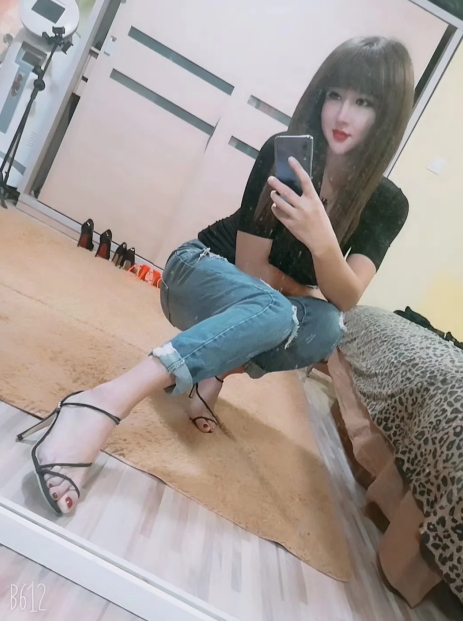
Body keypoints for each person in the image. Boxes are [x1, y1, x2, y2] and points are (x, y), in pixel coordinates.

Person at [18, 36, 415, 515]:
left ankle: (211, 373)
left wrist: (322, 240)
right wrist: (309, 288)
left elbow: (346, 298)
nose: (343, 115)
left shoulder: (387, 203)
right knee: (278, 309)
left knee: (327, 327)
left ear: (387, 116)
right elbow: (251, 273)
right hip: (197, 271)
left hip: (261, 310)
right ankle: (102, 402)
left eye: (364, 102)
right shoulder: (285, 154)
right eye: (335, 95)